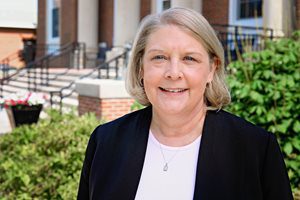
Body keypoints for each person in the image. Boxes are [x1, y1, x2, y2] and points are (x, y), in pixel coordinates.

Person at [77, 7, 293, 200]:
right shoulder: (105, 142)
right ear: (141, 68)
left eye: (189, 58)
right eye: (159, 57)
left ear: (211, 69)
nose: (173, 73)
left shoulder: (255, 150)